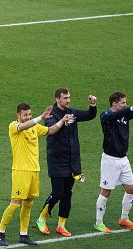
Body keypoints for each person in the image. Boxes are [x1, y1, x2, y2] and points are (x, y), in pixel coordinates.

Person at [0, 104, 69, 247]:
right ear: (18, 115)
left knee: (28, 203)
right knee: (15, 203)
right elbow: (24, 126)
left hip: (34, 171)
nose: (28, 117)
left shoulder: (35, 128)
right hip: (20, 171)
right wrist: (40, 117)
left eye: (30, 114)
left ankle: (23, 234)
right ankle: (1, 232)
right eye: (25, 115)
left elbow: (51, 130)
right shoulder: (13, 126)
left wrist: (62, 121)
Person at [35, 88, 97, 237]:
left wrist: (92, 106)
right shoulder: (51, 114)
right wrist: (62, 121)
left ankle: (61, 225)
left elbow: (89, 115)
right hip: (56, 160)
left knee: (67, 193)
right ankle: (41, 219)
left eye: (69, 97)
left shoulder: (73, 112)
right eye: (65, 98)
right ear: (57, 99)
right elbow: (50, 129)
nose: (68, 100)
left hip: (72, 161)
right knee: (57, 192)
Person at [94, 89, 133, 233]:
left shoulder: (124, 115)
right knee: (106, 191)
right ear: (114, 103)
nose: (125, 105)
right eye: (123, 103)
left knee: (131, 189)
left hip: (123, 159)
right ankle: (98, 223)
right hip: (110, 160)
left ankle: (124, 218)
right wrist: (130, 108)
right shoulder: (106, 116)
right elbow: (118, 114)